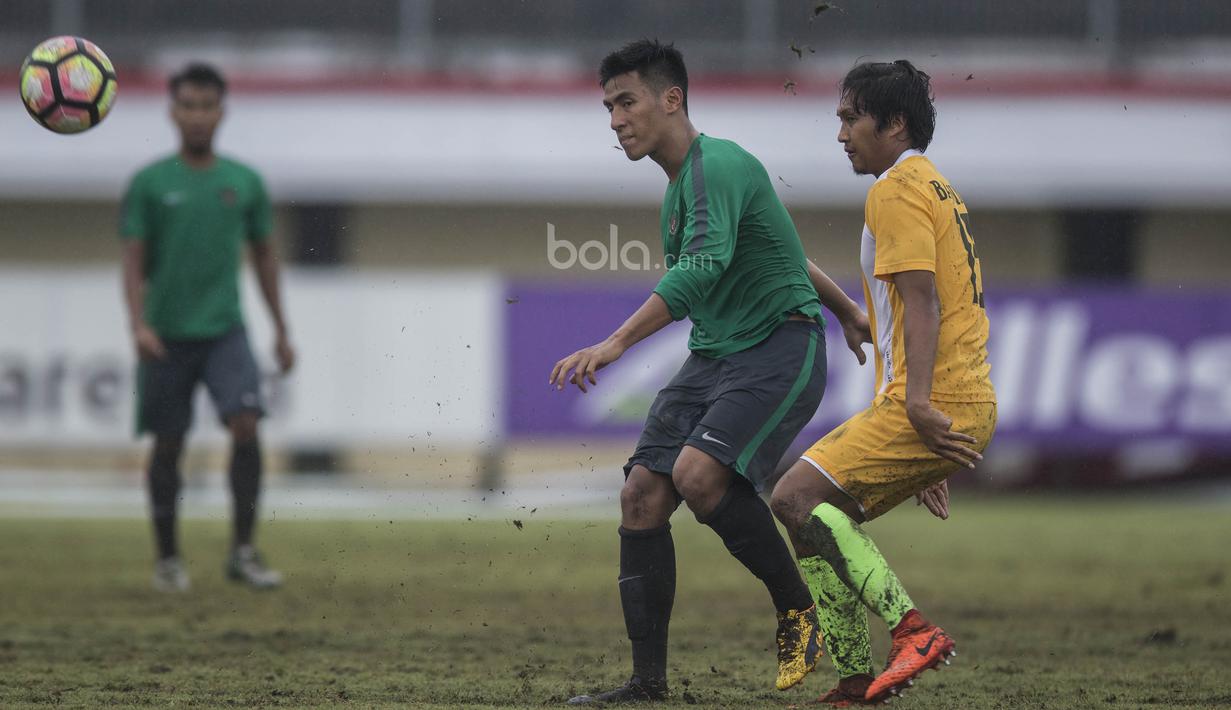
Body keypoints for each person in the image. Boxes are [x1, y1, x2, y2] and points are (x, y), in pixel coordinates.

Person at [549, 40, 871, 704]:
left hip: (780, 344)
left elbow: (696, 272)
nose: (614, 119)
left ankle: (796, 611)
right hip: (717, 353)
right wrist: (847, 308)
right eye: (608, 106)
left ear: (671, 100)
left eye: (626, 101)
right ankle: (646, 683)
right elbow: (781, 241)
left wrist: (614, 345)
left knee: (697, 476)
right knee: (641, 496)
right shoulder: (681, 190)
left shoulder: (715, 166)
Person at [768, 60, 998, 705]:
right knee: (816, 513)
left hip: (932, 400)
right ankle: (852, 680)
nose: (841, 134)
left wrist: (922, 405)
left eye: (850, 118)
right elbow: (944, 302)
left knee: (793, 498)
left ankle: (912, 631)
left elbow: (922, 303)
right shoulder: (937, 186)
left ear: (893, 123)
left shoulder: (895, 189)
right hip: (956, 398)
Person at [120, 63, 294, 592]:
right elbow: (132, 262)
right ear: (173, 112)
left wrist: (282, 329)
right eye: (188, 106)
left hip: (225, 329)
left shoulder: (243, 182)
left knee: (245, 423)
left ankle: (242, 552)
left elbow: (265, 258)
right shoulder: (149, 184)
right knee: (168, 442)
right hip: (166, 333)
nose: (198, 116)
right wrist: (138, 324)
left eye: (207, 106)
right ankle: (168, 559)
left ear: (222, 112)